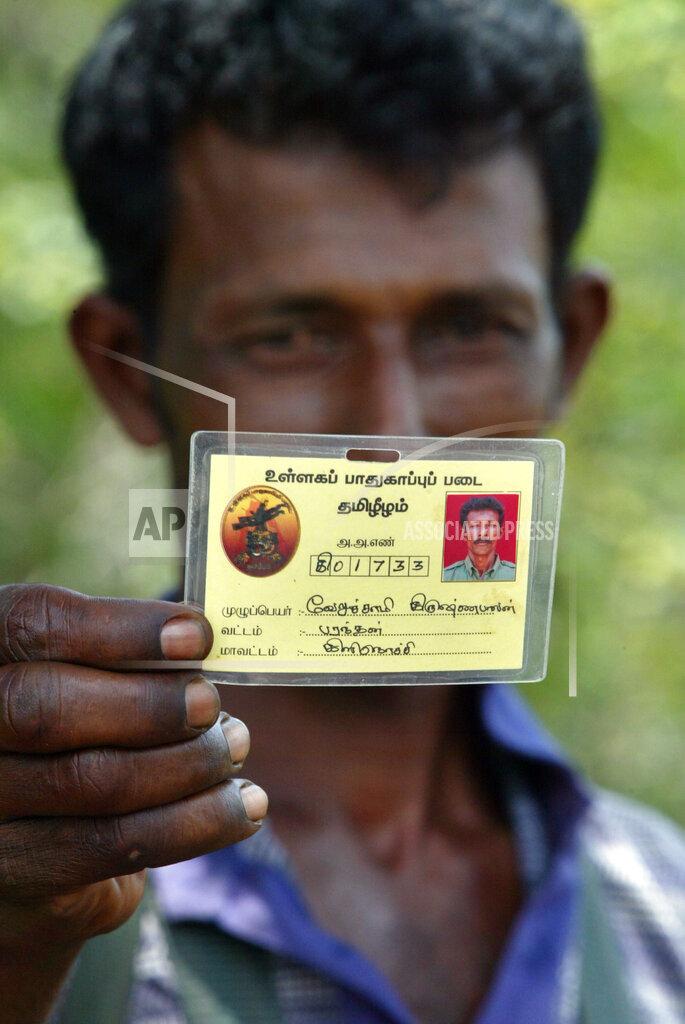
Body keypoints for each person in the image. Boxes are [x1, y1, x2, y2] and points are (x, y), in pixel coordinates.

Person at [1, 1, 683, 1022]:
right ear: (124, 371)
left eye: (468, 328)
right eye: (288, 335)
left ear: (570, 345)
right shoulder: (37, 891)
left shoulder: (662, 916)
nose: (391, 436)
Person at [442, 496, 516, 582]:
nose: (483, 532)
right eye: (475, 525)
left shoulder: (516, 576)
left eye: (490, 525)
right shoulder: (447, 577)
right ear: (464, 534)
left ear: (500, 533)